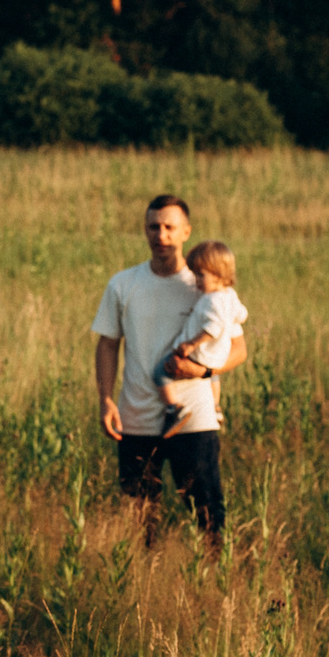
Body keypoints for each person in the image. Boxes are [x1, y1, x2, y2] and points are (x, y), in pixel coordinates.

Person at [91, 195, 249, 539]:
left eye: (169, 227)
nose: (161, 235)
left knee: (208, 513)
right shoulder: (123, 284)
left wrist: (204, 373)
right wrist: (106, 400)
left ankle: (215, 585)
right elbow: (107, 343)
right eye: (153, 227)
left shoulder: (207, 286)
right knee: (140, 517)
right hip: (136, 419)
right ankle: (144, 583)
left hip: (195, 420)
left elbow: (239, 350)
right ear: (144, 231)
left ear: (185, 232)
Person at [156, 241, 248, 439]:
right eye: (194, 274)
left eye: (201, 275)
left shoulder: (211, 300)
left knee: (160, 373)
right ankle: (215, 406)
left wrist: (192, 343)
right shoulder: (229, 295)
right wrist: (231, 317)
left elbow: (213, 328)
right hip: (218, 356)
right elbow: (242, 315)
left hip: (202, 354)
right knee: (213, 377)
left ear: (218, 274)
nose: (196, 280)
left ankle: (174, 409)